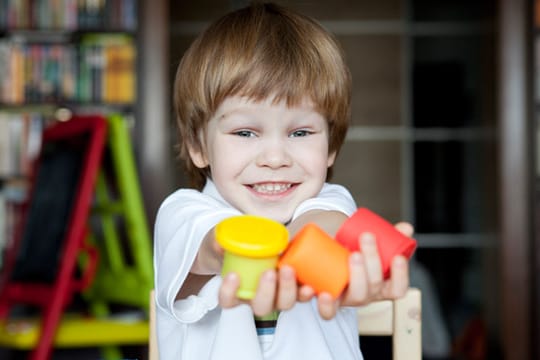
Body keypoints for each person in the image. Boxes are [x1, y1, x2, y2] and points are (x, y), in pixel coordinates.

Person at [153, 3, 412, 359]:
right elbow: (215, 247)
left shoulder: (332, 200)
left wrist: (356, 260)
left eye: (301, 132)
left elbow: (328, 225)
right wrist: (254, 256)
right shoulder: (182, 213)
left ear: (330, 146)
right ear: (199, 146)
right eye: (245, 132)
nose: (275, 158)